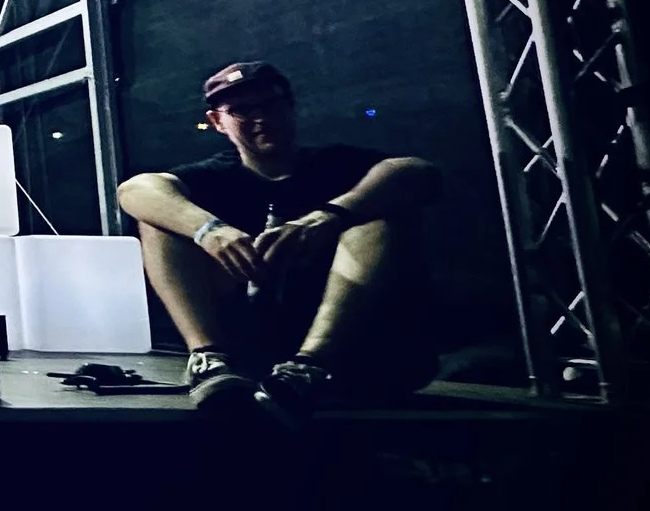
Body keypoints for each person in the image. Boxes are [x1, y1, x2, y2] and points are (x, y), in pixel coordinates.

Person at [117, 60, 441, 421]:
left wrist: (331, 216)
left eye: (270, 104)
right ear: (217, 122)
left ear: (289, 106)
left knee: (379, 217)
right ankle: (208, 359)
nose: (260, 117)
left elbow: (419, 173)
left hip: (366, 358)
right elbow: (134, 190)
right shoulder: (213, 177)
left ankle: (308, 367)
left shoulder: (339, 166)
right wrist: (211, 231)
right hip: (252, 362)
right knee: (159, 221)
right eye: (241, 110)